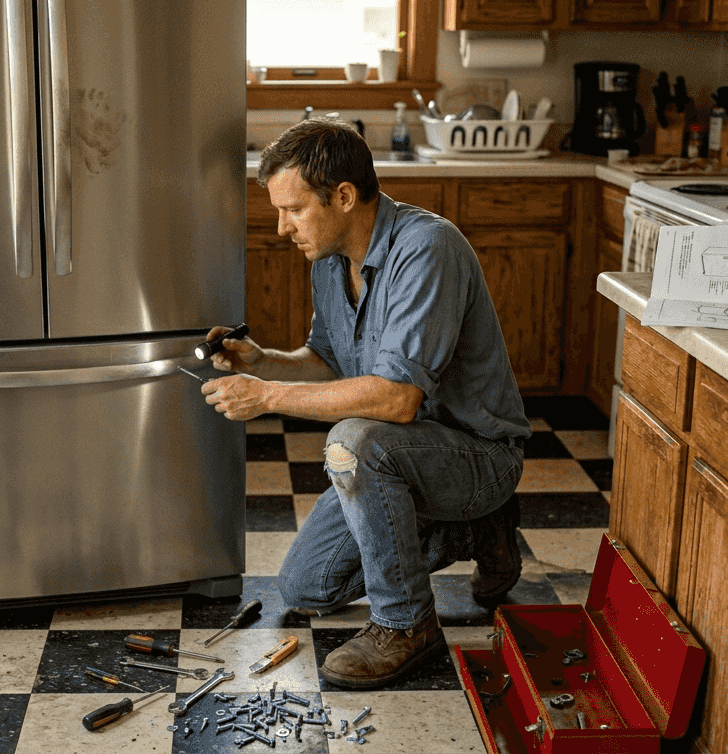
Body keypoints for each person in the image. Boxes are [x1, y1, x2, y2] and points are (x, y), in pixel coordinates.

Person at [196, 118, 530, 688]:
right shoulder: (330, 262)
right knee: (305, 588)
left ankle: (406, 625)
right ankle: (474, 531)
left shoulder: (428, 248)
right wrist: (262, 362)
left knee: (353, 441)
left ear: (344, 197)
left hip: (478, 457)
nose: (282, 228)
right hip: (405, 458)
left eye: (294, 209)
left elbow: (398, 400)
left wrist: (269, 397)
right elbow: (330, 362)